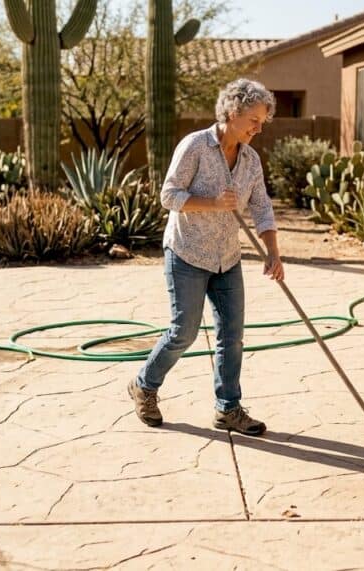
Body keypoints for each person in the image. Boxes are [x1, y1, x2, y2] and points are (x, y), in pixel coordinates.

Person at [127, 78, 283, 436]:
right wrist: (212, 204)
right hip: (187, 252)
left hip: (227, 258)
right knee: (184, 331)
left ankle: (228, 408)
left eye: (263, 121)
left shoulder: (250, 159)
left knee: (232, 335)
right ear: (232, 112)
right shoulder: (195, 146)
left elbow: (262, 208)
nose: (259, 128)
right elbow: (168, 196)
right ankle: (144, 386)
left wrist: (273, 252)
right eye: (254, 120)